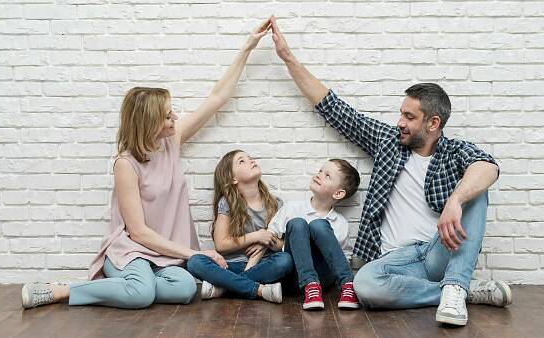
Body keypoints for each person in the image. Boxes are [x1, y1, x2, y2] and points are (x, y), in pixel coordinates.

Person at [269, 16, 511, 326]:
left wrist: (455, 200)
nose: (400, 122)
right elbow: (335, 109)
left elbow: (488, 167)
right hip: (396, 261)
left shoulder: (453, 152)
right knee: (365, 285)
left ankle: (454, 284)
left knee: (477, 191)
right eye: (401, 113)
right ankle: (460, 290)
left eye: (409, 117)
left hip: (439, 252)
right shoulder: (388, 142)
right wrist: (288, 58)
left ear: (433, 123)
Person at [21, 19, 272, 310]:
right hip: (133, 251)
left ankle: (135, 286)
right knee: (141, 295)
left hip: (167, 254)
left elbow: (217, 98)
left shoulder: (171, 141)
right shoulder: (126, 164)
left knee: (186, 288)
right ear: (149, 122)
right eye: (167, 115)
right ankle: (66, 290)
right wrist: (193, 254)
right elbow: (138, 232)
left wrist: (247, 48)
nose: (175, 118)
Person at [186, 150, 293, 303]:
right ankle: (259, 290)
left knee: (285, 260)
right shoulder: (227, 203)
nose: (251, 160)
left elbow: (283, 246)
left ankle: (225, 287)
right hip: (232, 266)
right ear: (233, 179)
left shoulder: (276, 203)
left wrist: (268, 240)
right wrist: (256, 236)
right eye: (242, 161)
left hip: (263, 266)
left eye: (249, 157)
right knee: (194, 261)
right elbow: (221, 245)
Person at [264, 159, 361, 310]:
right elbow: (269, 236)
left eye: (327, 175)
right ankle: (310, 284)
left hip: (323, 278)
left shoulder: (340, 223)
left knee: (319, 224)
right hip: (293, 276)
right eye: (321, 171)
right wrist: (284, 245)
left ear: (338, 193)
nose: (319, 175)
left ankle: (347, 285)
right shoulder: (292, 208)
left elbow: (343, 258)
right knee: (298, 223)